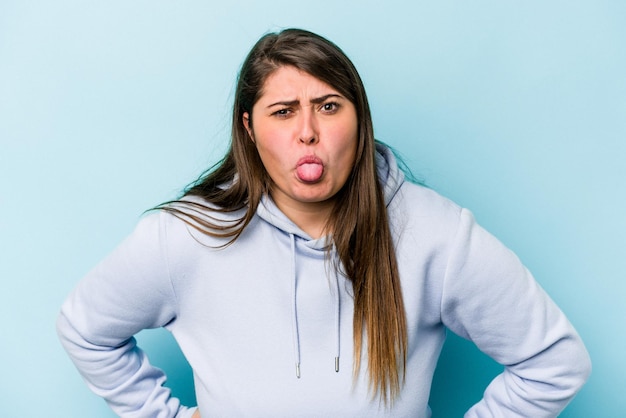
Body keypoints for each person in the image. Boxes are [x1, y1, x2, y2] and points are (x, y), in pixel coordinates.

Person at [57, 28, 591, 417]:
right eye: (284, 111)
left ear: (359, 120)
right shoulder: (185, 237)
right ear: (249, 128)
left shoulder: (435, 233)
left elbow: (554, 360)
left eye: (329, 106)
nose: (308, 132)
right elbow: (84, 328)